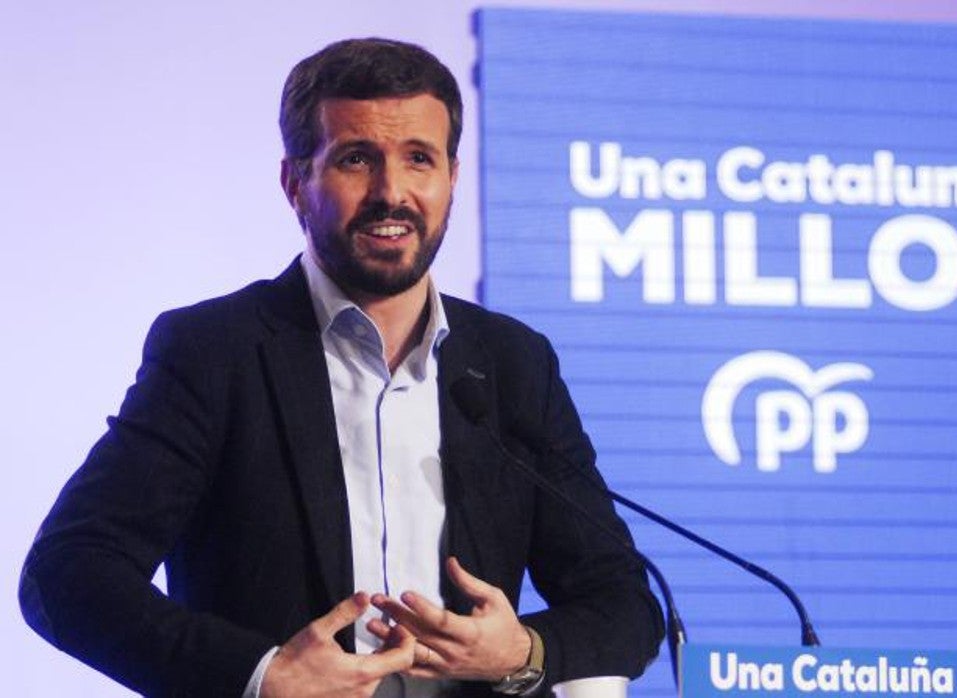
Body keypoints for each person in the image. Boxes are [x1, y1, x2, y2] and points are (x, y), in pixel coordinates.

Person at [18, 37, 663, 698]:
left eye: (419, 159)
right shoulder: (216, 352)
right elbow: (68, 575)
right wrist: (262, 676)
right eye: (357, 159)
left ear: (452, 178)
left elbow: (625, 607)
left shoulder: (511, 363)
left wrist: (526, 650)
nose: (392, 193)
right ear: (295, 183)